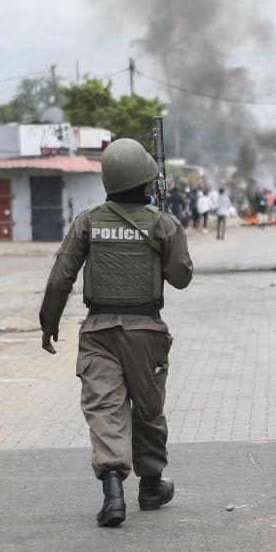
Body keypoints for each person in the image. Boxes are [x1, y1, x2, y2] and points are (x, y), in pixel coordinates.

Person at [39, 137, 193, 527]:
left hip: (98, 331)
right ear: (145, 181)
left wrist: (49, 322)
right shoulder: (161, 223)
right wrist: (170, 227)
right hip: (146, 330)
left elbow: (61, 277)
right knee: (147, 410)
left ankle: (113, 493)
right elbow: (181, 277)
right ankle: (152, 486)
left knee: (105, 410)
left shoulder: (88, 221)